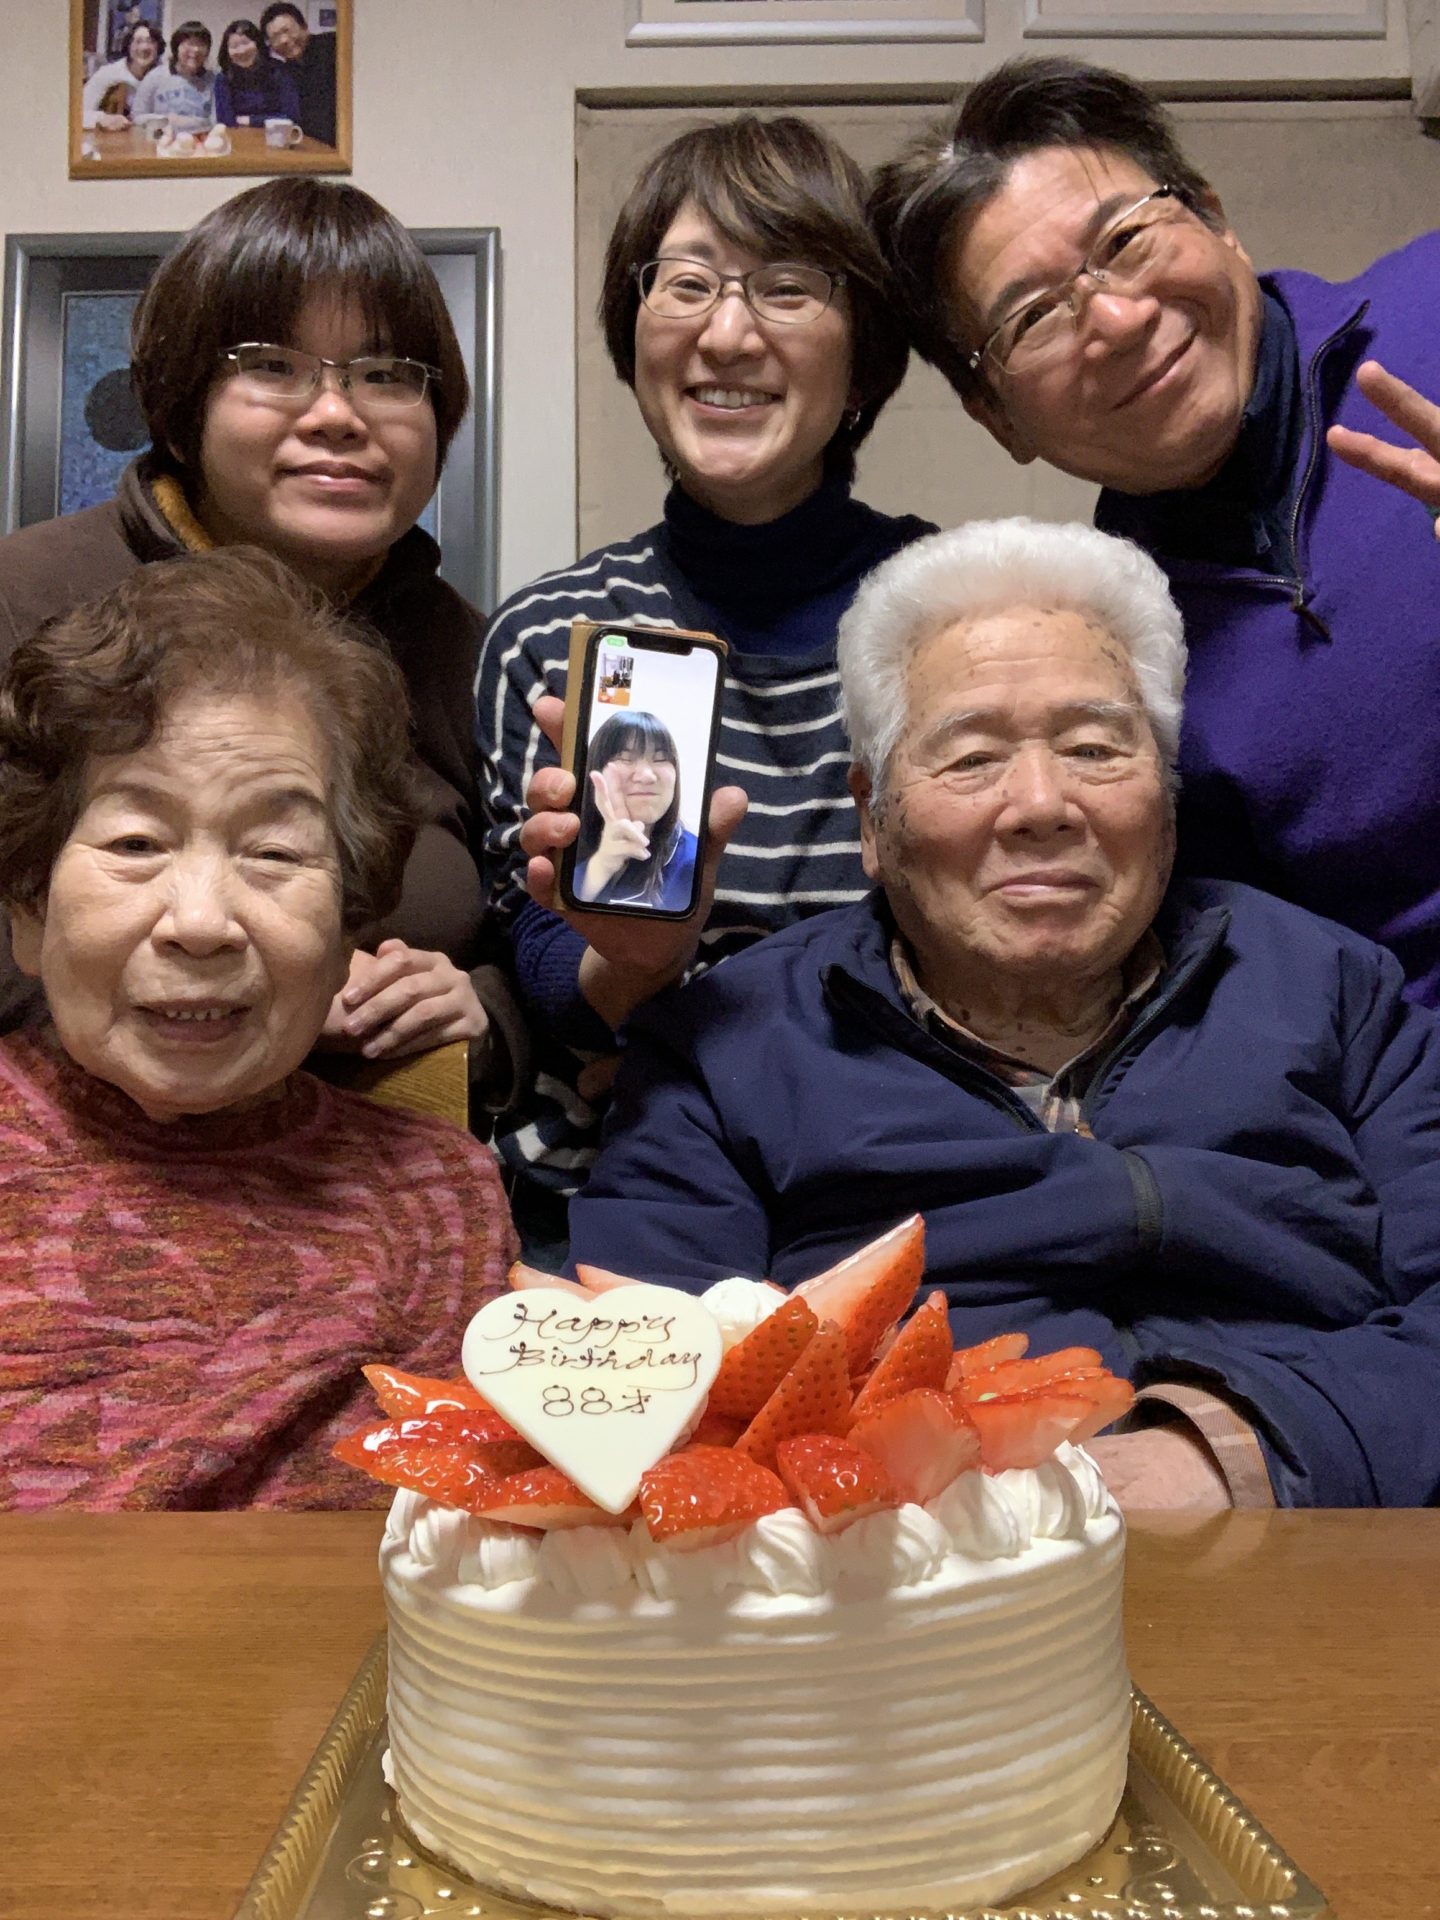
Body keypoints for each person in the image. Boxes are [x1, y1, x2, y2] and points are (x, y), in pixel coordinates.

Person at [570, 518, 1440, 1511]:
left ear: (1167, 795)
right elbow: (637, 1392)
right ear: (871, 819)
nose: (1040, 804)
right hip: (907, 1561)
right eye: (973, 757)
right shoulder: (726, 1045)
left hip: (1318, 1538)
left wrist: (1229, 1451)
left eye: (1095, 747)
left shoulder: (1335, 988)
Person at [869, 55, 1440, 1011]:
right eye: (1035, 316)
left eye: (1126, 240)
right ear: (996, 417)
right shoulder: (1119, 662)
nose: (1118, 318)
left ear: (1213, 217)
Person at [477, 114, 931, 1248]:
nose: (727, 335)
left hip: (907, 1164)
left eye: (788, 288)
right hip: (613, 1172)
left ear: (866, 355)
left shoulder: (960, 615)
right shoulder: (549, 634)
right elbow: (540, 955)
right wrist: (635, 960)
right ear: (633, 336)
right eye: (686, 285)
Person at [0, 549, 515, 1512]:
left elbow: (457, 1543)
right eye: (136, 843)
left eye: (275, 852)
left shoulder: (434, 1196)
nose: (201, 922)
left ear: (348, 929)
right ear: (30, 911)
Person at [0, 178, 525, 1111]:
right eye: (275, 367)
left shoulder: (472, 652)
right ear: (186, 401)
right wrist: (257, 999)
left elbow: (536, 942)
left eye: (387, 375)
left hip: (390, 1159)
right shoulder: (24, 598)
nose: (338, 414)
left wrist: (484, 1011)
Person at [573, 711, 698, 911]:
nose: (647, 776)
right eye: (625, 758)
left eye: (660, 759)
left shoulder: (692, 862)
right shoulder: (566, 838)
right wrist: (601, 866)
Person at [260, 1, 337, 146]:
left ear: (304, 26)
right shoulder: (287, 69)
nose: (284, 40)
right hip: (311, 144)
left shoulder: (333, 46)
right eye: (275, 37)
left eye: (287, 30)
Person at [213, 16, 300, 128]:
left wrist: (250, 120)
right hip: (238, 136)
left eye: (245, 43)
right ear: (227, 52)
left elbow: (291, 116)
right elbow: (226, 122)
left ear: (258, 43)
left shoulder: (280, 71)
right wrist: (272, 118)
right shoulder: (224, 78)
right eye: (234, 46)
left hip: (277, 135)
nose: (241, 50)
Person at [81, 19, 162, 129]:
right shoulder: (108, 73)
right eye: (138, 41)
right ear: (128, 46)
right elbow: (77, 112)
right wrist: (101, 119)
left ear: (158, 47)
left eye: (151, 41)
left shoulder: (164, 76)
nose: (144, 47)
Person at [131, 20, 215, 123]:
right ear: (176, 48)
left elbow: (216, 121)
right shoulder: (155, 77)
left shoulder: (213, 81)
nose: (196, 50)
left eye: (201, 44)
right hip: (161, 132)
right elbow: (137, 116)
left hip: (202, 133)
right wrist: (164, 120)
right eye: (190, 44)